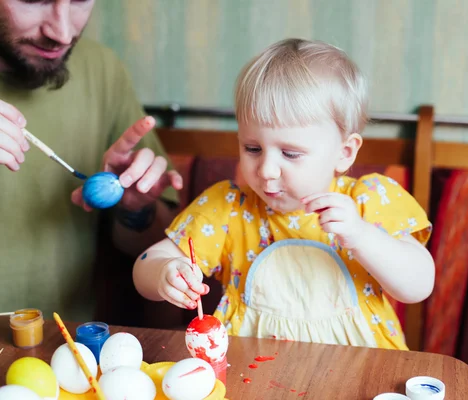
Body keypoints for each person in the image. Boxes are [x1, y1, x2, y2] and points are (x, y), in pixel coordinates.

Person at [133, 38, 434, 350]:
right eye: (253, 148)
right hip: (253, 374)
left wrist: (360, 235)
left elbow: (419, 285)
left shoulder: (369, 200)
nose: (266, 169)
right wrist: (165, 272)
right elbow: (145, 263)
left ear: (344, 152)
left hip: (362, 372)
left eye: (290, 154)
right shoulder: (227, 208)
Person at [0, 0, 182, 322]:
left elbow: (157, 249)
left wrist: (136, 210)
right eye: (33, 0)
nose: (63, 33)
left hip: (65, 348)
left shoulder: (101, 68)